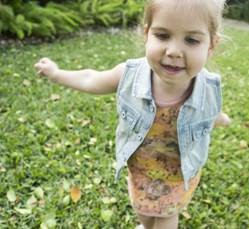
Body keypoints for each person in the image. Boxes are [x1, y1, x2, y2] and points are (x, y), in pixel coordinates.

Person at [34, 0, 230, 228]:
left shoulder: (208, 87)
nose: (174, 51)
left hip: (179, 174)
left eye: (191, 40)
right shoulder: (129, 75)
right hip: (141, 169)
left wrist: (220, 119)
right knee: (144, 213)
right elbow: (91, 79)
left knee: (166, 217)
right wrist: (57, 74)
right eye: (163, 35)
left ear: (211, 45)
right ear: (147, 34)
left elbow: (209, 110)